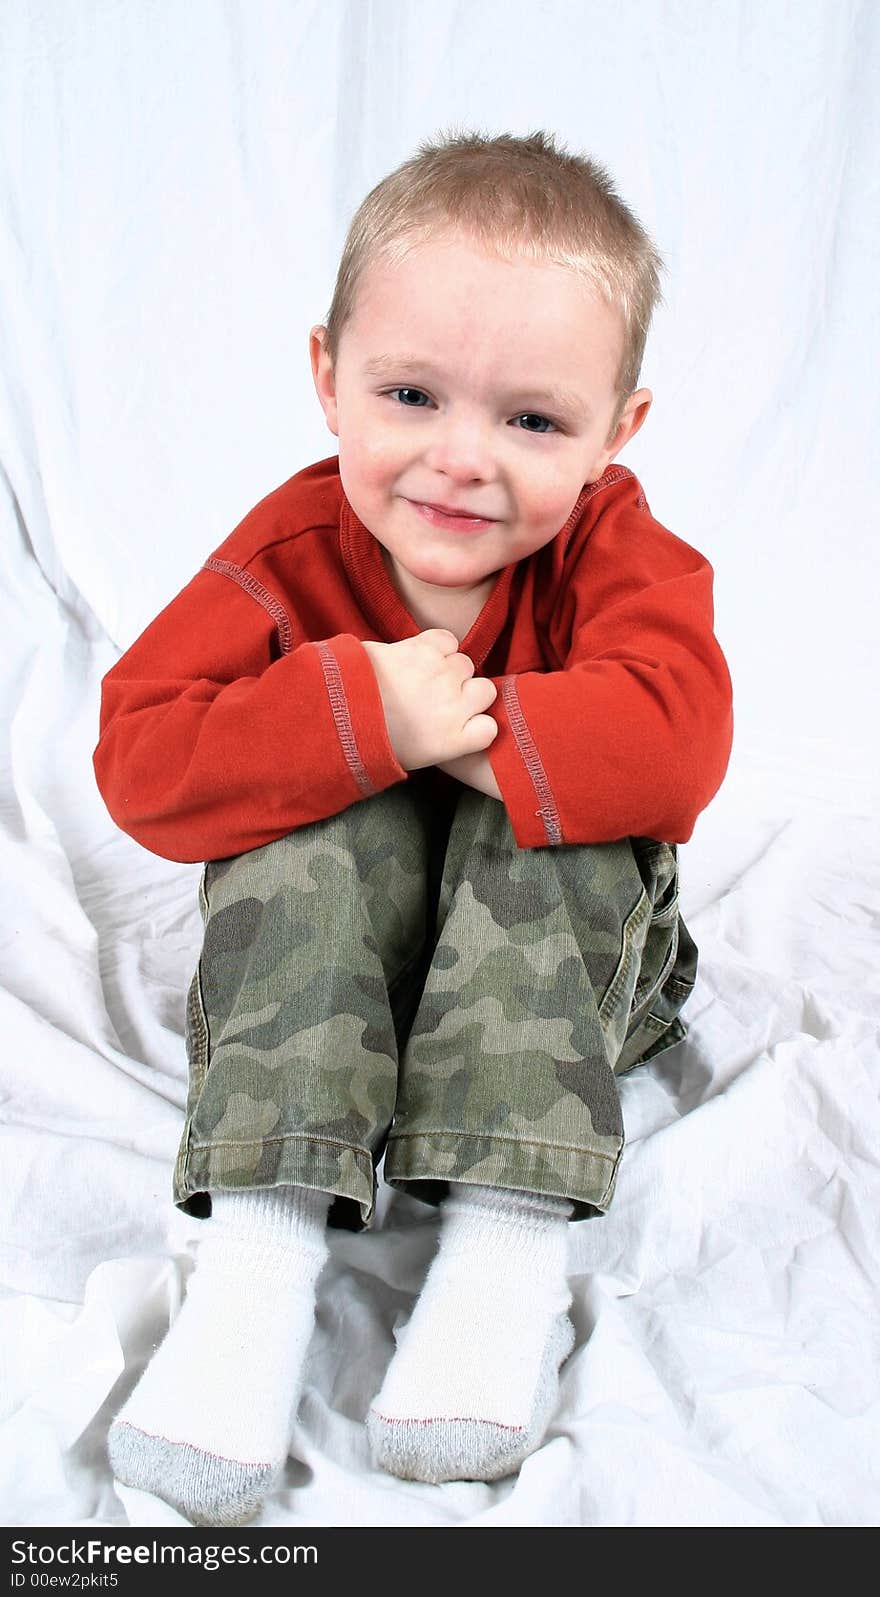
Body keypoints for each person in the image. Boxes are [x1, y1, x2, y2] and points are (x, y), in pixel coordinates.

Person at [92, 128, 733, 1526]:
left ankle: (505, 1246)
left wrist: (488, 732)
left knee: (555, 826)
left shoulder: (620, 552)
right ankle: (258, 1262)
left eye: (533, 422)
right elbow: (137, 752)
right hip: (329, 981)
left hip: (562, 982)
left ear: (616, 432)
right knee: (306, 816)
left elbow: (688, 734)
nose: (462, 462)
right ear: (328, 378)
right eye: (410, 393)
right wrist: (357, 718)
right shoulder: (288, 557)